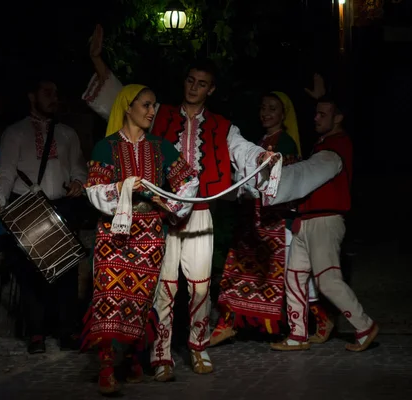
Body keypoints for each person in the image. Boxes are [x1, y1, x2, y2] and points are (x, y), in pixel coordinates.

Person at [82, 24, 275, 381]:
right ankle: (161, 354)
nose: (194, 87)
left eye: (202, 83)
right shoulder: (160, 114)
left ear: (211, 89)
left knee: (201, 285)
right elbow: (120, 99)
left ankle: (198, 347)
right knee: (164, 287)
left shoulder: (222, 126)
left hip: (198, 211)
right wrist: (97, 61)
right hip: (159, 218)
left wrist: (261, 157)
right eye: (190, 80)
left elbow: (243, 150)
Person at [81, 84, 199, 394]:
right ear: (127, 107)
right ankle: (106, 366)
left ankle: (133, 356)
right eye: (146, 105)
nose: (151, 111)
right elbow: (94, 191)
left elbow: (189, 182)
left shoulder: (161, 147)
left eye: (154, 106)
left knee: (141, 298)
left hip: (149, 232)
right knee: (109, 294)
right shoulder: (104, 147)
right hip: (114, 232)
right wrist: (123, 188)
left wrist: (167, 203)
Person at [211, 91, 333, 345]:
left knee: (289, 276)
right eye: (264, 108)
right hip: (253, 220)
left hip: (275, 223)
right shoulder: (260, 142)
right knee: (238, 272)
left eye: (273, 109)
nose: (266, 113)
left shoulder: (285, 143)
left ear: (283, 114)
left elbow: (283, 185)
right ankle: (227, 323)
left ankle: (320, 319)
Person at [264, 95, 379, 352]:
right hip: (308, 221)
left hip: (325, 221)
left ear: (338, 118)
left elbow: (309, 173)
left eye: (322, 114)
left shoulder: (336, 146)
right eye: (315, 113)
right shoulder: (324, 144)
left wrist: (276, 178)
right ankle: (298, 334)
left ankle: (365, 326)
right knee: (294, 277)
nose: (316, 118)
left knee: (327, 280)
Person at [0, 77, 87, 353]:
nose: (54, 97)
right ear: (32, 96)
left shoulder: (68, 134)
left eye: (56, 92)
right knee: (30, 272)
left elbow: (78, 168)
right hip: (28, 206)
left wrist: (79, 182)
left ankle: (66, 331)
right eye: (47, 92)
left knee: (66, 270)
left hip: (62, 206)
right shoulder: (15, 133)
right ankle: (36, 333)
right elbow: (5, 171)